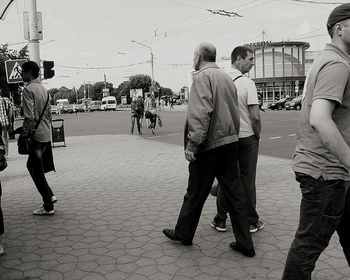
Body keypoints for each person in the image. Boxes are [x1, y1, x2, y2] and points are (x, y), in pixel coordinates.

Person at [162, 42, 255, 257]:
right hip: (230, 143)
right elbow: (235, 113)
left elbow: (201, 114)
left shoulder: (202, 77)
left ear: (199, 57)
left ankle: (183, 234)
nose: (193, 59)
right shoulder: (226, 78)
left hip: (208, 146)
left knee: (195, 192)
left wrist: (192, 144)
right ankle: (246, 243)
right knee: (235, 196)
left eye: (194, 55)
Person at [282, 4, 350, 279]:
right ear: (340, 28)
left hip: (329, 172)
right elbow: (320, 119)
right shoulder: (337, 64)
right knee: (307, 246)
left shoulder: (329, 59)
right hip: (327, 174)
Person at [210, 46, 264, 234]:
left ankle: (220, 220)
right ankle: (251, 221)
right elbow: (255, 116)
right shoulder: (247, 83)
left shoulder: (220, 81)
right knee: (247, 179)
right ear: (238, 60)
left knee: (228, 179)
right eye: (250, 59)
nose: (252, 63)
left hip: (226, 138)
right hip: (247, 137)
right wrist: (257, 134)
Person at [20, 61, 57, 216]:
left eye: (22, 71)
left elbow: (29, 117)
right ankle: (50, 195)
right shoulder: (44, 89)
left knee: (35, 168)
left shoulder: (28, 90)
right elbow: (48, 114)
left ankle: (48, 205)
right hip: (45, 134)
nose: (21, 74)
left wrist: (24, 134)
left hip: (35, 135)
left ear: (29, 72)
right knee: (34, 166)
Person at [0, 89, 14, 157]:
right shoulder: (6, 99)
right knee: (5, 137)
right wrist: (10, 119)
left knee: (1, 137)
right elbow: (11, 111)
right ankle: (6, 154)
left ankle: (2, 153)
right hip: (5, 121)